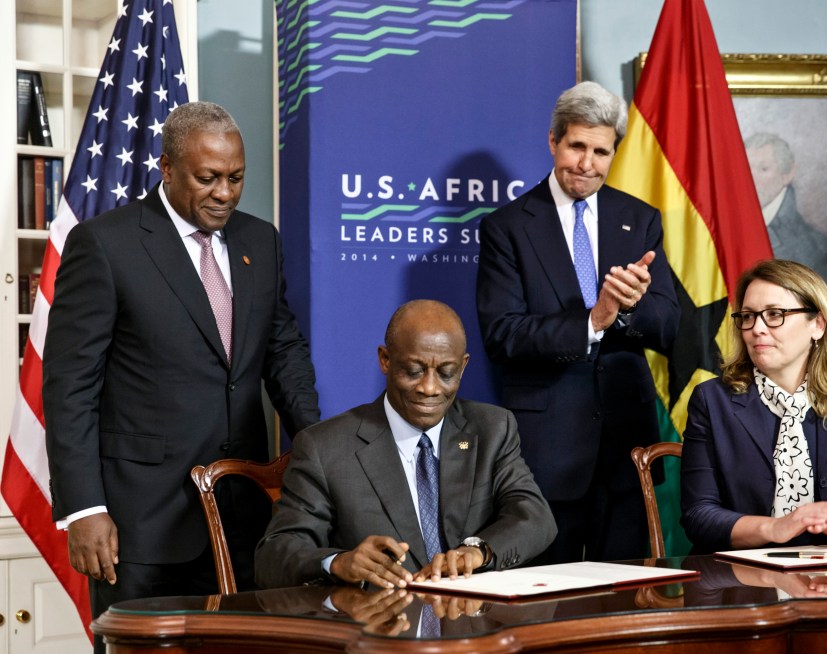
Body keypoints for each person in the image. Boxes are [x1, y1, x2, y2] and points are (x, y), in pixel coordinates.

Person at [43, 101, 320, 638]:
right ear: (167, 168)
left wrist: (316, 443)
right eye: (208, 178)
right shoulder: (106, 244)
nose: (224, 193)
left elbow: (281, 349)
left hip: (244, 514)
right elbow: (70, 387)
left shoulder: (260, 241)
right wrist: (83, 509)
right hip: (141, 524)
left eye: (236, 178)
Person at [476, 81, 680, 563]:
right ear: (553, 141)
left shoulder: (640, 219)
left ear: (615, 152)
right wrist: (593, 319)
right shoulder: (507, 227)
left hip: (627, 449)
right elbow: (501, 335)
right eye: (576, 147)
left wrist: (628, 308)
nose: (587, 164)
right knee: (547, 606)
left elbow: (670, 324)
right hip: (548, 453)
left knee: (626, 601)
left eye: (600, 151)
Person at [255, 299, 556, 589]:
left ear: (463, 367)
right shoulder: (325, 447)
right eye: (414, 371)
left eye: (446, 373)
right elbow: (274, 555)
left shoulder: (491, 429)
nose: (429, 387)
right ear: (385, 360)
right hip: (379, 626)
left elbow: (533, 516)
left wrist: (478, 552)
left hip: (470, 626)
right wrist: (338, 562)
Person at [681, 259, 827, 554]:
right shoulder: (712, 401)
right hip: (743, 580)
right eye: (747, 316)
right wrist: (777, 527)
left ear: (817, 325)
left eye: (774, 314)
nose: (756, 329)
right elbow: (699, 516)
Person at [744, 132, 827, 289]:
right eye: (746, 168)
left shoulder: (816, 247)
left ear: (787, 174)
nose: (751, 178)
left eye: (763, 169)